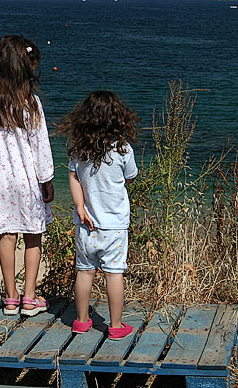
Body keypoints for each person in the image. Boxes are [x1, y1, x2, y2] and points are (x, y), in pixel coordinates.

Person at [0, 35, 54, 317]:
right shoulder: (30, 104)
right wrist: (47, 180)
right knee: (33, 236)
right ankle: (29, 297)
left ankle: (10, 297)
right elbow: (40, 147)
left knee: (7, 236)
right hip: (27, 181)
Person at [58, 91, 139, 340]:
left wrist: (80, 207)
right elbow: (131, 176)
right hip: (114, 226)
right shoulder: (123, 149)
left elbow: (73, 177)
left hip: (86, 224)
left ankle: (81, 321)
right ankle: (115, 325)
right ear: (117, 119)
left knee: (85, 272)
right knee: (114, 274)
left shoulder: (79, 151)